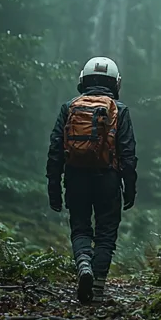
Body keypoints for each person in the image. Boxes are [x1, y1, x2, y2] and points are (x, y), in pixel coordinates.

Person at [46, 56, 137, 304]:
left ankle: (83, 263)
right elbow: (128, 154)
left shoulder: (69, 107)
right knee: (106, 234)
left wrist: (54, 187)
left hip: (75, 177)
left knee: (80, 227)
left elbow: (55, 150)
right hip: (108, 179)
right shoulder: (120, 109)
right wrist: (130, 188)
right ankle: (96, 290)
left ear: (83, 80)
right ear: (116, 83)